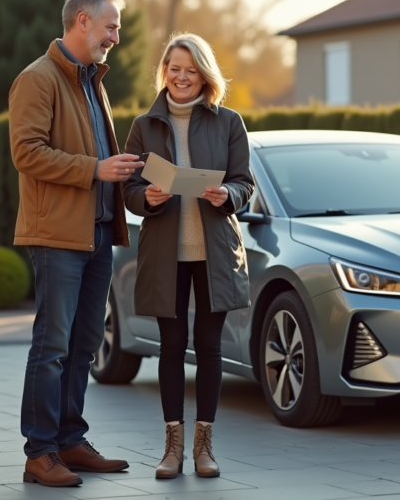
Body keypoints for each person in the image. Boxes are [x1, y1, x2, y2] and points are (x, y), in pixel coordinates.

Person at [8, 0, 144, 488]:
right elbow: (27, 153)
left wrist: (124, 173)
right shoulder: (37, 79)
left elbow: (95, 160)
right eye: (111, 25)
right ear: (82, 21)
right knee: (53, 346)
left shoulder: (92, 81)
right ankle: (40, 452)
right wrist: (96, 169)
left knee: (85, 344)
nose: (116, 35)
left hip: (97, 236)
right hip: (58, 237)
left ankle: (70, 440)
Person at [123, 33, 254, 479]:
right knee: (172, 348)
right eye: (175, 69)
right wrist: (149, 198)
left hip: (213, 251)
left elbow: (245, 184)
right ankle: (172, 449)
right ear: (165, 72)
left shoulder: (229, 122)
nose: (182, 77)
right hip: (166, 252)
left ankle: (204, 448)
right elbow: (130, 190)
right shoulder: (144, 125)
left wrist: (227, 194)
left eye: (191, 69)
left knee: (211, 347)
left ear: (204, 74)